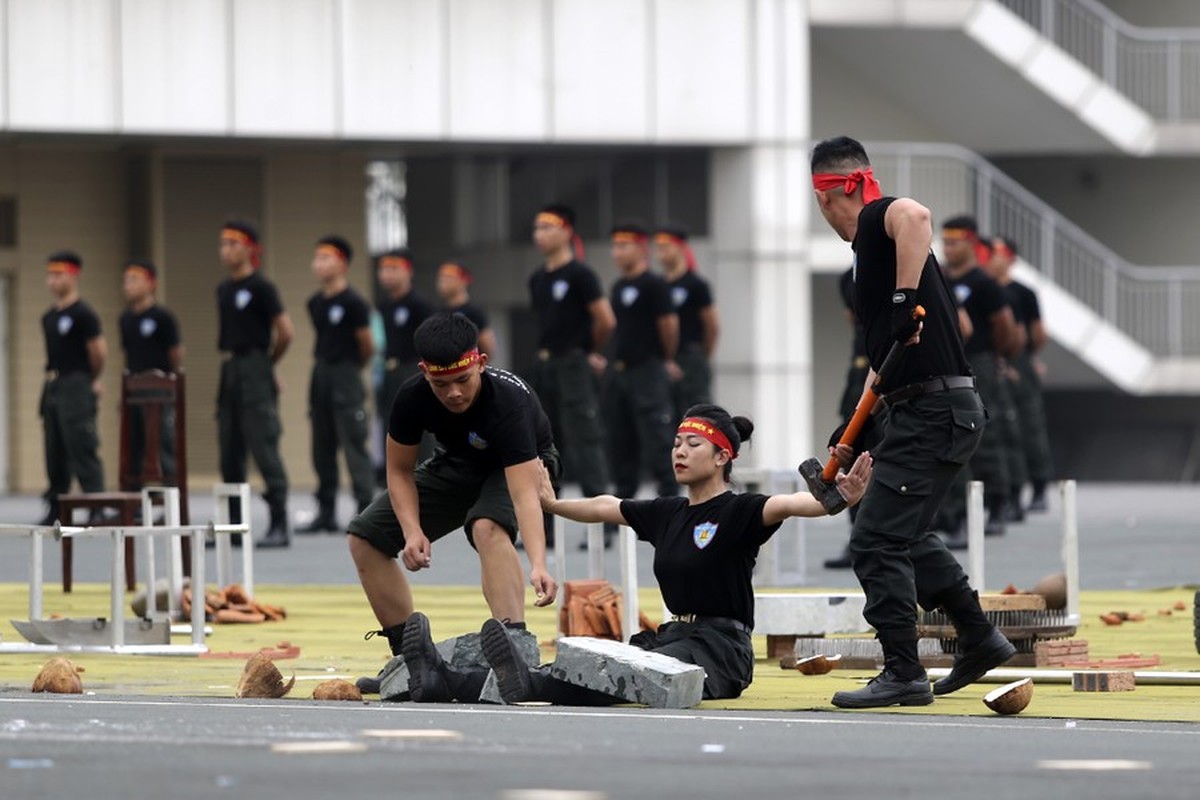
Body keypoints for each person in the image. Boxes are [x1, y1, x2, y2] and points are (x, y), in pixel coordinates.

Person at [459, 405, 871, 706]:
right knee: (601, 659)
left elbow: (795, 503)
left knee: (623, 671)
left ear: (723, 457)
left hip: (721, 650)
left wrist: (837, 501)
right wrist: (552, 505)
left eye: (694, 444)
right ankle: (442, 678)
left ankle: (529, 684)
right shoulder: (668, 513)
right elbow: (607, 505)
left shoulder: (742, 510)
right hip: (673, 637)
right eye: (676, 443)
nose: (680, 451)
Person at [810, 135, 1015, 708]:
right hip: (936, 409)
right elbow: (883, 367)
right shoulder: (868, 255)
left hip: (934, 411)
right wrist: (851, 434)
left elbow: (916, 213)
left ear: (826, 196)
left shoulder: (879, 218)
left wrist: (903, 300)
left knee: (874, 540)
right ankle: (979, 639)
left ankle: (903, 671)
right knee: (904, 534)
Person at [348, 312, 559, 696]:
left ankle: (515, 655)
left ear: (480, 362)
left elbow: (524, 493)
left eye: (463, 380)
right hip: (457, 464)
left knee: (486, 526)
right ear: (424, 372)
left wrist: (539, 562)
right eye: (441, 384)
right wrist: (411, 531)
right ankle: (408, 662)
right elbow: (398, 471)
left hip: (521, 467)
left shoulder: (508, 401)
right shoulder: (411, 397)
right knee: (365, 537)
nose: (454, 393)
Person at [527, 204, 614, 534]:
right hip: (545, 367)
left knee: (585, 439)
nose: (540, 235)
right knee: (544, 443)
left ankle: (603, 523)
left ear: (566, 232)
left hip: (573, 366)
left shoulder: (581, 275)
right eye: (537, 229)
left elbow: (605, 320)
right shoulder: (536, 279)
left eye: (548, 228)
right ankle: (545, 525)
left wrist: (585, 351)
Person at [937, 215, 1019, 541]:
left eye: (954, 242)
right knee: (953, 437)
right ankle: (955, 514)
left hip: (979, 361)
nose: (948, 249)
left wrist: (995, 356)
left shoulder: (984, 284)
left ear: (971, 243)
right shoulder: (940, 278)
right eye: (944, 242)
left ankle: (998, 504)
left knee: (989, 438)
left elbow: (1006, 326)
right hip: (952, 363)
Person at [215, 220, 293, 548]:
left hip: (255, 365)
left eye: (234, 244)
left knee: (264, 446)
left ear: (249, 249)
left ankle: (278, 522)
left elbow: (285, 331)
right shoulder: (223, 289)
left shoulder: (262, 287)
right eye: (223, 244)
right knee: (229, 449)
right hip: (231, 368)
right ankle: (234, 526)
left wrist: (266, 365)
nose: (226, 251)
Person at [297, 236, 376, 536]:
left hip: (346, 373)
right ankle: (326, 509)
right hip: (322, 372)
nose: (318, 264)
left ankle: (365, 508)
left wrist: (352, 370)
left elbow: (366, 344)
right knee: (322, 444)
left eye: (325, 258)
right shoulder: (315, 303)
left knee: (353, 443)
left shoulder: (354, 302)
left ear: (342, 263)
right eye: (316, 258)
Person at [603, 222, 680, 506]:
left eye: (623, 246)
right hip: (621, 374)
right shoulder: (619, 286)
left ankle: (670, 504)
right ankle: (621, 510)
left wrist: (663, 359)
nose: (617, 252)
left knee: (658, 441)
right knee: (621, 442)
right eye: (614, 246)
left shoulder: (654, 284)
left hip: (648, 371)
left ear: (640, 249)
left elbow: (669, 327)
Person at [38, 250, 106, 525]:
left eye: (59, 274)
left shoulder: (84, 314)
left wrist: (90, 379)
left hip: (77, 384)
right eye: (50, 274)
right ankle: (57, 506)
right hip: (54, 385)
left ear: (73, 276)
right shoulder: (48, 317)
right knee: (54, 448)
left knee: (81, 445)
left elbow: (99, 352)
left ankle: (97, 505)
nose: (53, 280)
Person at [988, 236, 1053, 512]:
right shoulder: (987, 289)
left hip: (1019, 359)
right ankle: (1009, 490)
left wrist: (1025, 357)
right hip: (993, 360)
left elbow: (1038, 333)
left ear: (1010, 258)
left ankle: (1039, 486)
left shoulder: (1022, 292)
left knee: (1029, 424)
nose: (992, 258)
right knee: (1002, 428)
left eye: (998, 253)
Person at [824, 266, 877, 570]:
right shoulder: (848, 276)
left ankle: (875, 538)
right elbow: (853, 318)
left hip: (887, 371)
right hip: (860, 372)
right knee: (850, 452)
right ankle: (858, 536)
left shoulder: (896, 267)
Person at [118, 259, 184, 486]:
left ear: (151, 283)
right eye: (126, 280)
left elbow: (175, 353)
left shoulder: (163, 318)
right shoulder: (125, 319)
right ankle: (134, 500)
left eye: (134, 279)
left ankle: (171, 498)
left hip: (159, 389)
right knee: (133, 446)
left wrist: (169, 383)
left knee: (163, 444)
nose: (128, 285)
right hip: (134, 387)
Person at [376, 248, 436, 468]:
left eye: (393, 268)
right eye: (383, 269)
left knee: (420, 426)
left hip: (414, 368)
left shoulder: (420, 304)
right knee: (390, 424)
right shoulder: (384, 305)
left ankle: (429, 474)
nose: (386, 274)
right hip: (389, 371)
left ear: (408, 271)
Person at [654, 225, 719, 422]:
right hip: (663, 362)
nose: (661, 253)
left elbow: (712, 326)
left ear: (681, 248)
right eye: (659, 248)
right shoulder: (657, 285)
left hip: (690, 358)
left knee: (696, 414)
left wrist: (698, 355)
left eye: (667, 247)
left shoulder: (696, 285)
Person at [436, 260, 497, 357]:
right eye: (441, 279)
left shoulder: (473, 312)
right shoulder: (438, 313)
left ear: (463, 281)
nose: (442, 283)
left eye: (448, 278)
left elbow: (488, 347)